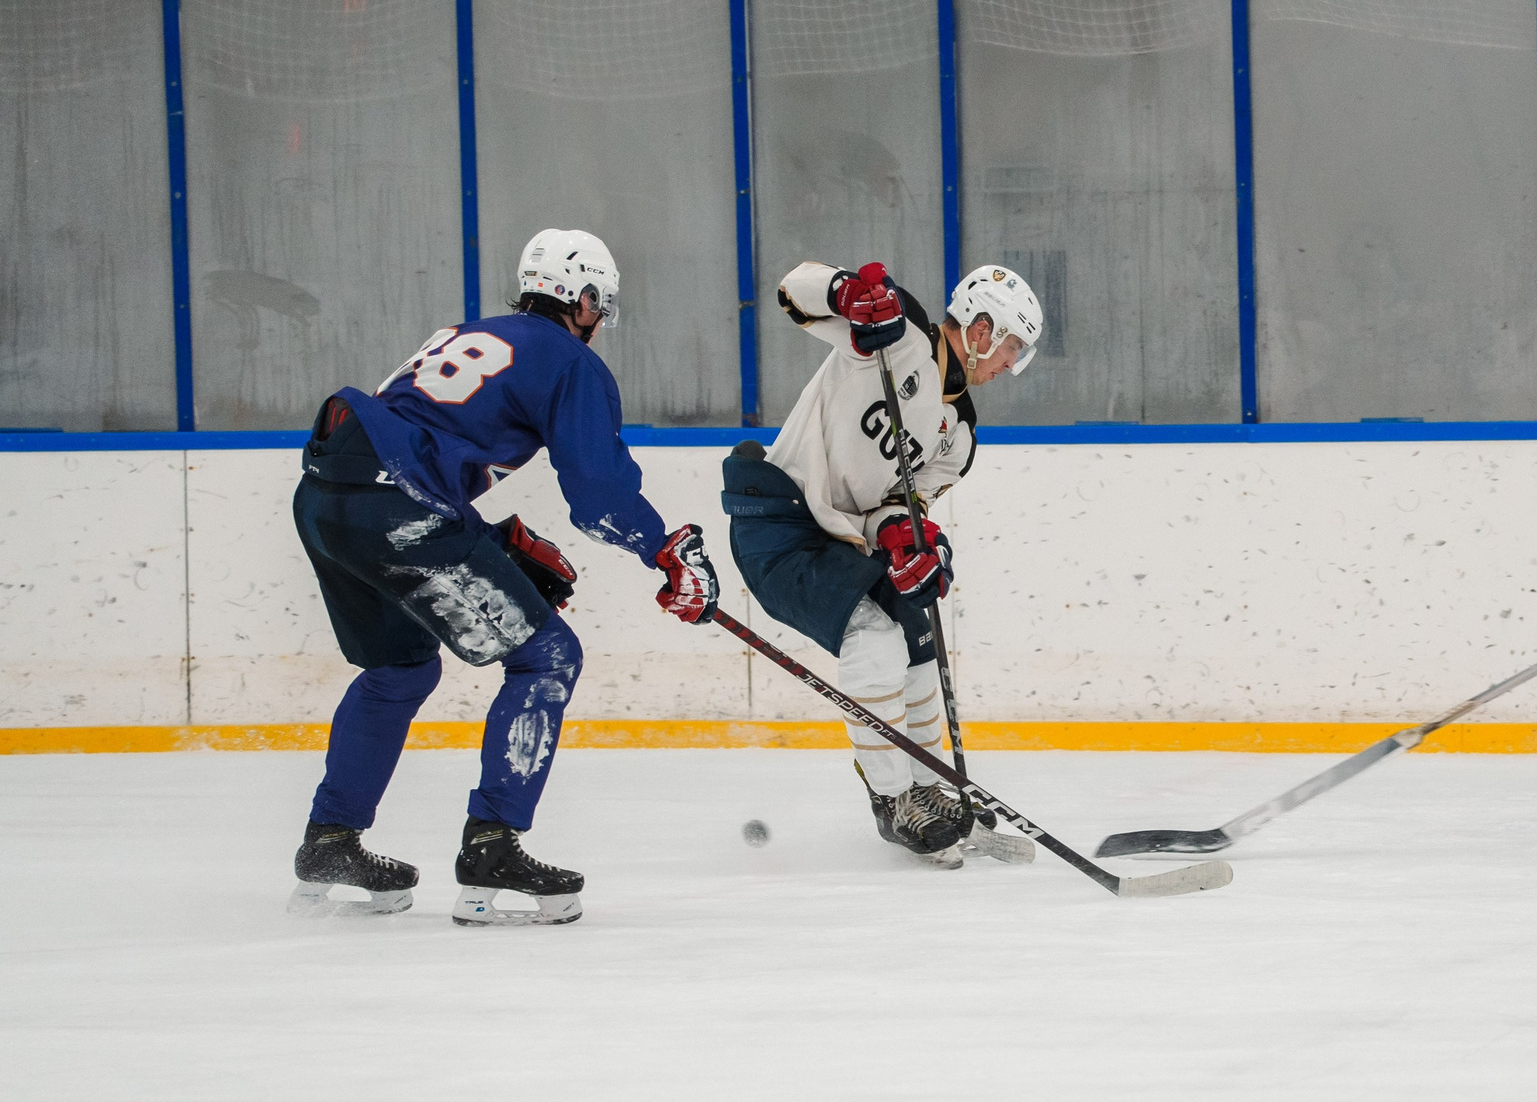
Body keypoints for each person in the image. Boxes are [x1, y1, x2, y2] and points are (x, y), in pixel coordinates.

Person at [287, 228, 720, 925]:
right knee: (548, 654)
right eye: (598, 308)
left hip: (324, 500)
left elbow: (409, 442)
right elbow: (597, 493)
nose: (599, 323)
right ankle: (492, 844)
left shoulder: (461, 333)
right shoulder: (568, 361)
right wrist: (665, 549)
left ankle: (330, 840)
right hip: (398, 505)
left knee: (400, 668)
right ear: (580, 299)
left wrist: (487, 541)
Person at [722, 260, 1041, 866]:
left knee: (917, 635)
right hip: (779, 523)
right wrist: (846, 292)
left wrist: (912, 538)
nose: (1009, 366)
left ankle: (923, 783)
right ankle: (892, 800)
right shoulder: (899, 331)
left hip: (843, 540)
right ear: (980, 331)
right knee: (873, 642)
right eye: (1012, 348)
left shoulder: (960, 435)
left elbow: (898, 506)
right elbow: (795, 292)